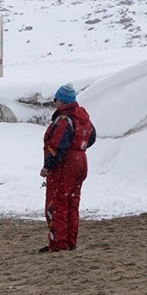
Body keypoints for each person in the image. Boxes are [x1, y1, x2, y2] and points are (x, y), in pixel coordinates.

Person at [41, 83, 97, 252]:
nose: (55, 103)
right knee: (72, 203)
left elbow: (57, 145)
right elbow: (92, 137)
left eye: (56, 99)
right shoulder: (82, 117)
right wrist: (79, 149)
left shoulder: (65, 119)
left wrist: (47, 166)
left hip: (66, 165)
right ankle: (70, 241)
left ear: (62, 101)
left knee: (58, 203)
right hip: (81, 161)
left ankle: (59, 243)